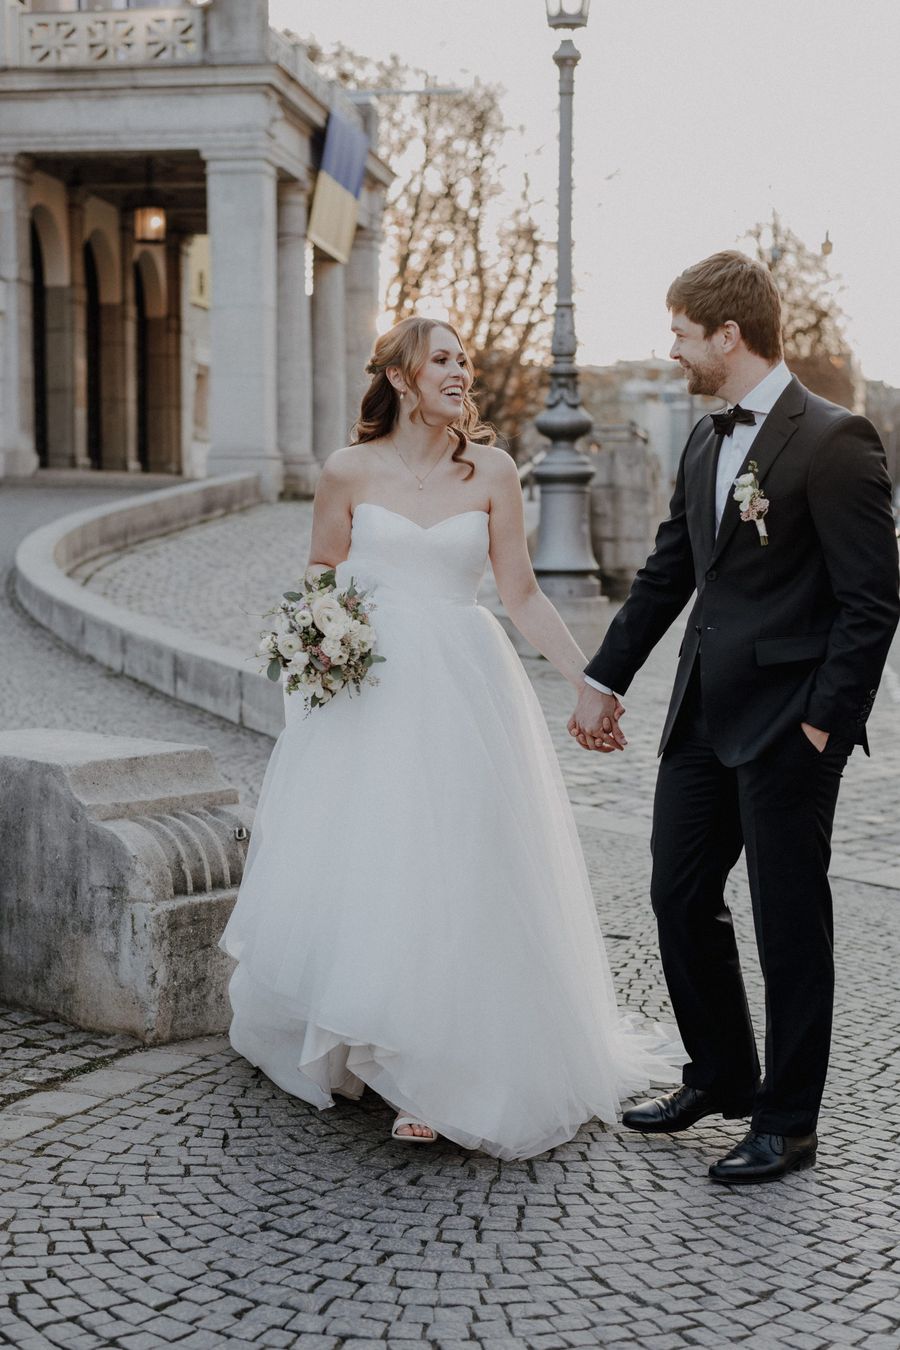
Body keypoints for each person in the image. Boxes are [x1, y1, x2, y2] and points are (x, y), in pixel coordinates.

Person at [220, 315, 676, 1158]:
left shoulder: (494, 471)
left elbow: (525, 595)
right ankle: (359, 1034)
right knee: (371, 859)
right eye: (442, 359)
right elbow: (320, 569)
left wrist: (591, 679)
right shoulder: (346, 470)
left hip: (463, 689)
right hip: (366, 694)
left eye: (464, 360)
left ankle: (435, 1067)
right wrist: (321, 630)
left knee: (457, 862)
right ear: (399, 376)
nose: (460, 371)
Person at [570, 251, 900, 1183]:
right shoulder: (707, 442)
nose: (672, 350)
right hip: (703, 719)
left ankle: (789, 1120)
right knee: (678, 895)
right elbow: (669, 575)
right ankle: (720, 1073)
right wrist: (605, 678)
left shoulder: (837, 441)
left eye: (681, 334)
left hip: (792, 726)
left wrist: (824, 724)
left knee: (789, 923)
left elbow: (873, 601)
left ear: (728, 334)